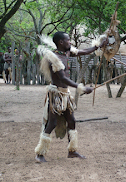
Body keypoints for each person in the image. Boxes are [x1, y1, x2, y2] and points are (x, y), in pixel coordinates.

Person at [35, 31, 108, 162]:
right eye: (68, 40)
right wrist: (81, 88)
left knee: (72, 121)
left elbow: (84, 51)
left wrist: (99, 46)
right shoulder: (54, 58)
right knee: (52, 123)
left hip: (65, 94)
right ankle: (40, 153)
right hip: (56, 94)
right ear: (61, 42)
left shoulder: (67, 52)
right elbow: (63, 77)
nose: (70, 42)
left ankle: (72, 151)